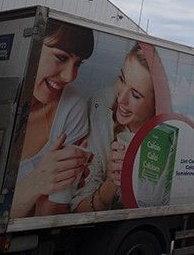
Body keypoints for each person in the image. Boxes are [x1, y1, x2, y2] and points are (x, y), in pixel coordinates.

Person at [73, 42, 171, 212]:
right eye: (121, 79)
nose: (121, 99)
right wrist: (112, 182)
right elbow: (77, 208)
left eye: (135, 95)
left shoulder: (166, 137)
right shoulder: (100, 108)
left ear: (155, 106)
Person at [10, 21, 94, 218]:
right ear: (30, 47)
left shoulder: (72, 107)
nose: (70, 76)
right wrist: (37, 183)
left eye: (77, 63)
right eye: (61, 57)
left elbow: (49, 215)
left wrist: (61, 186)